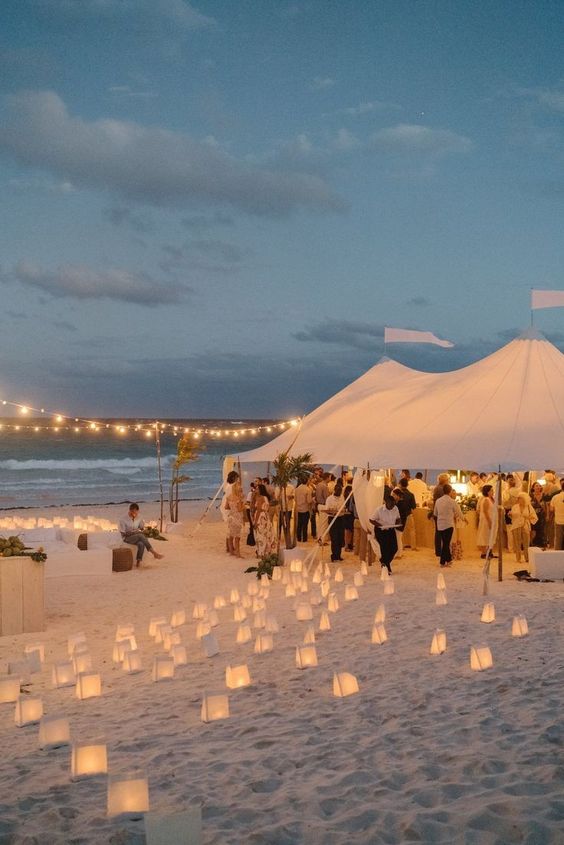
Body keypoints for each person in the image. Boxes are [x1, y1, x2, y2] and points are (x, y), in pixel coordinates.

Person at [433, 483, 464, 567]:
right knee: (446, 543)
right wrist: (464, 519)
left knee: (445, 542)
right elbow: (459, 512)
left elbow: (435, 513)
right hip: (449, 525)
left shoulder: (438, 501)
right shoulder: (452, 501)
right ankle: (442, 562)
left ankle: (448, 560)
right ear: (450, 491)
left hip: (440, 525)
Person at [369, 496, 402, 574]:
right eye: (391, 504)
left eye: (394, 504)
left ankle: (383, 562)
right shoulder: (379, 510)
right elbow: (371, 520)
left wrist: (398, 523)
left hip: (391, 529)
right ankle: (387, 567)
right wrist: (380, 525)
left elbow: (398, 518)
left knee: (394, 548)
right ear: (386, 502)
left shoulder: (395, 508)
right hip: (381, 530)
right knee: (385, 549)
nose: (392, 506)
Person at [510, 493, 537, 564]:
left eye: (520, 498)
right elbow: (512, 516)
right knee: (517, 543)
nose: (519, 500)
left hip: (525, 526)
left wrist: (527, 517)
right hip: (516, 526)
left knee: (526, 542)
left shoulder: (529, 507)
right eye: (518, 498)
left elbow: (534, 517)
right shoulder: (515, 507)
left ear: (525, 499)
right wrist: (510, 514)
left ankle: (527, 558)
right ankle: (518, 558)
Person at [253, 483, 276, 557]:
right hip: (266, 516)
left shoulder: (261, 498)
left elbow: (259, 510)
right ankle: (266, 551)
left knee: (260, 535)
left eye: (257, 489)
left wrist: (255, 522)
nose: (256, 490)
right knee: (266, 534)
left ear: (260, 490)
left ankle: (261, 552)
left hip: (260, 517)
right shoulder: (265, 497)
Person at [325, 479, 345, 561]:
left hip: (340, 519)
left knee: (340, 537)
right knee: (334, 538)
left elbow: (343, 507)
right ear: (334, 490)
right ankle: (334, 555)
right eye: (338, 491)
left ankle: (339, 555)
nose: (339, 492)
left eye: (340, 491)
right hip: (332, 519)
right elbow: (327, 510)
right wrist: (333, 511)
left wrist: (343, 510)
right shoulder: (329, 499)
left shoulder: (342, 497)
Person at [476, 484, 497, 558]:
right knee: (485, 536)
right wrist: (489, 521)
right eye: (491, 490)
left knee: (490, 536)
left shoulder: (492, 499)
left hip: (492, 519)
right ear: (487, 492)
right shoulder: (486, 499)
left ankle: (489, 552)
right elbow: (485, 511)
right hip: (486, 521)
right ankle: (484, 553)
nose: (493, 492)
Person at [225, 481, 245, 557]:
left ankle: (231, 552)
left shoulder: (229, 497)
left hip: (231, 517)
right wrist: (244, 505)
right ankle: (238, 553)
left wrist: (232, 508)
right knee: (237, 536)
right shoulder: (238, 499)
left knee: (231, 535)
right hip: (237, 517)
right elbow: (239, 509)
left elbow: (226, 507)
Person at [397, 478, 417, 551]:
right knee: (412, 530)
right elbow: (413, 506)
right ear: (407, 485)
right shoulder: (411, 494)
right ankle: (413, 547)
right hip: (408, 514)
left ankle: (401, 546)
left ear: (400, 484)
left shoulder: (398, 494)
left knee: (400, 532)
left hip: (399, 515)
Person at [295, 476, 313, 542]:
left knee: (299, 524)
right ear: (307, 481)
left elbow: (295, 499)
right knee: (305, 524)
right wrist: (312, 500)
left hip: (299, 509)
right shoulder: (308, 489)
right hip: (305, 509)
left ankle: (299, 538)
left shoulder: (297, 489)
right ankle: (304, 539)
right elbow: (309, 501)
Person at [530, 481, 547, 548]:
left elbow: (547, 506)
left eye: (539, 486)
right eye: (536, 486)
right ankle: (533, 544)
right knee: (533, 530)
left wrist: (547, 515)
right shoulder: (530, 496)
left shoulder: (544, 495)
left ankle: (541, 544)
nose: (538, 487)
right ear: (533, 487)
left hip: (542, 515)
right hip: (533, 516)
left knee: (541, 530)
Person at [549, 477, 564, 551]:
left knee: (558, 539)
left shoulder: (555, 497)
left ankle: (558, 555)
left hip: (558, 521)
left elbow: (551, 509)